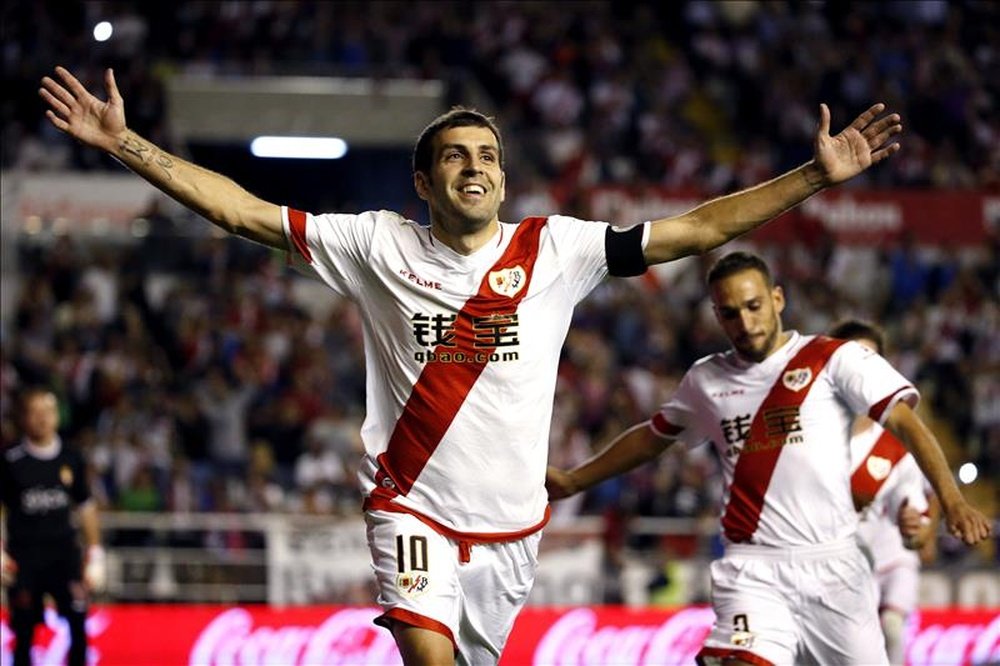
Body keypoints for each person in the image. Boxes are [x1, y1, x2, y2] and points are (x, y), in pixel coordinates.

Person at [39, 64, 904, 665]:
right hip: (411, 503)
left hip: (513, 526)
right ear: (423, 180)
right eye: (455, 155)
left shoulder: (558, 248)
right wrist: (128, 147)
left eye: (487, 155)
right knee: (425, 648)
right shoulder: (375, 243)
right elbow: (248, 215)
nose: (475, 167)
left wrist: (810, 179)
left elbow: (697, 230)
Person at [546, 251, 992, 666]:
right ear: (717, 316)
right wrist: (574, 480)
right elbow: (651, 439)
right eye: (730, 313)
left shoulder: (832, 359)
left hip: (835, 568)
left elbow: (906, 424)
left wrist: (953, 502)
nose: (745, 321)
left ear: (778, 298)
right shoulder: (707, 380)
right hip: (752, 568)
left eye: (754, 305)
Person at [829, 318, 940, 665]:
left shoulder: (895, 445)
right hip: (830, 568)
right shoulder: (802, 435)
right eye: (853, 359)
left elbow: (917, 507)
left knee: (890, 628)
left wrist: (920, 533)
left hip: (890, 561)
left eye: (871, 361)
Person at [1, 387, 106, 666]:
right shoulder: (11, 460)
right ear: (24, 418)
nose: (42, 419)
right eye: (35, 413)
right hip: (24, 558)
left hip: (64, 556)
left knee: (78, 627)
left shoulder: (72, 457)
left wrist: (95, 553)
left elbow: (86, 507)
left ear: (57, 416)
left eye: (47, 412)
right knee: (23, 633)